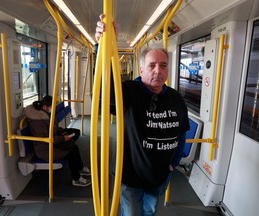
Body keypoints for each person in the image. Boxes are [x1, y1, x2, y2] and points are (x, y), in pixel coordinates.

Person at [95, 15, 190, 215]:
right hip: (131, 176)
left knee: (150, 211)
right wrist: (103, 46)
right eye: (152, 65)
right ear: (141, 69)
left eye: (163, 65)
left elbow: (182, 133)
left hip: (161, 176)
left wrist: (174, 163)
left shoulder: (176, 98)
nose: (158, 70)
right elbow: (105, 89)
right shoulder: (130, 92)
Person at [24, 95, 91, 187]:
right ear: (44, 107)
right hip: (45, 149)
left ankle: (80, 168)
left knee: (74, 147)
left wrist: (62, 132)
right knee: (70, 153)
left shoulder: (43, 115)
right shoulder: (38, 121)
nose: (51, 109)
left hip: (51, 144)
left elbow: (53, 129)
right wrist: (63, 139)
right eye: (50, 107)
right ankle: (76, 179)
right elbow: (46, 139)